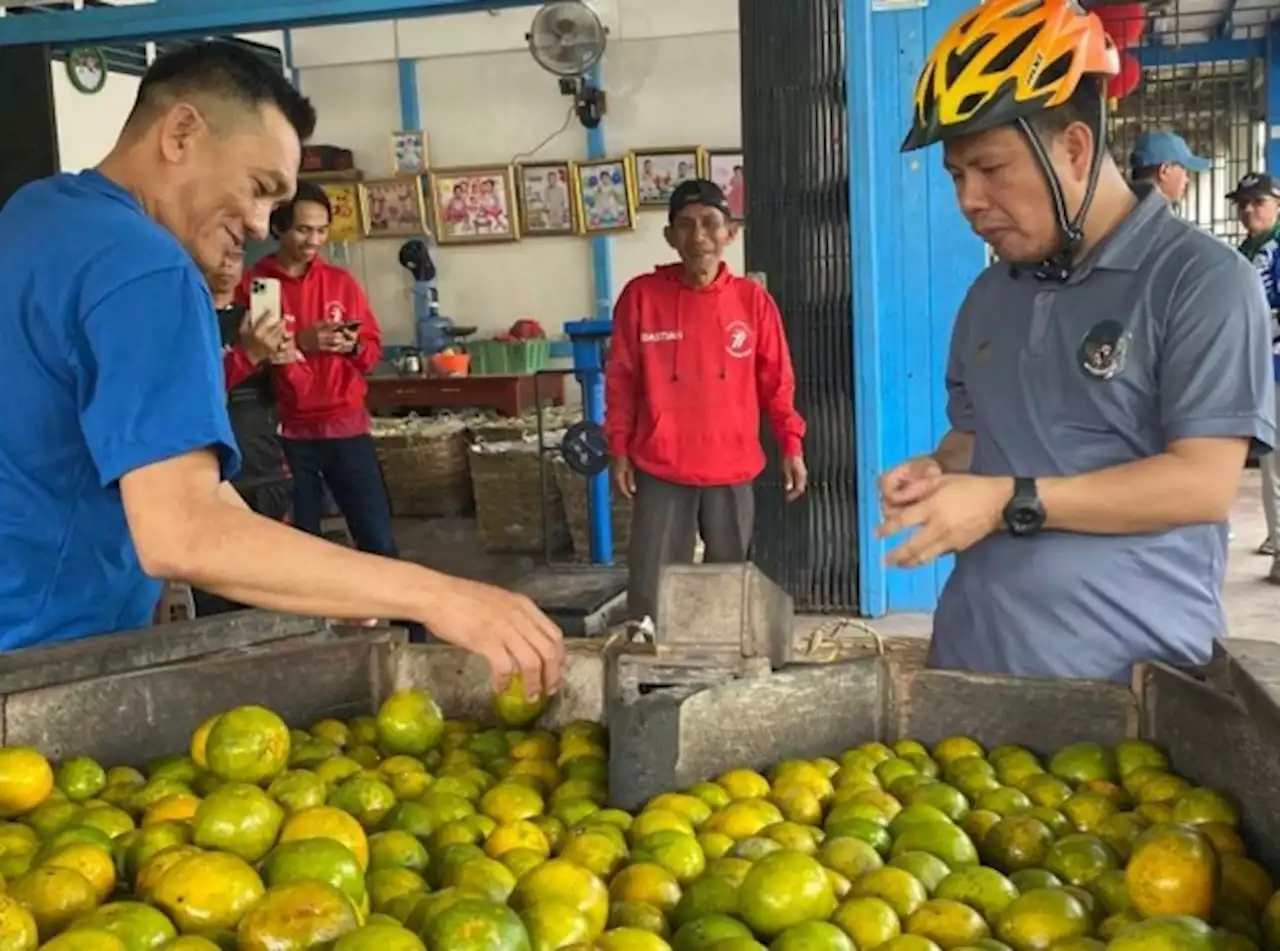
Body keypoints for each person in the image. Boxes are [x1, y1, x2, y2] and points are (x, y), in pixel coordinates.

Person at [0, 41, 561, 694]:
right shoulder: (146, 267)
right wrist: (438, 595)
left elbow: (185, 484)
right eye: (261, 188)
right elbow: (182, 531)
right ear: (181, 132)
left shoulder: (36, 215)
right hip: (35, 670)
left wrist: (328, 585)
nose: (263, 224)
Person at [882, 0, 1274, 681]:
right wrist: (941, 471)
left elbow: (1203, 483)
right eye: (955, 176)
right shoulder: (989, 295)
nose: (969, 199)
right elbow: (979, 438)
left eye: (990, 168)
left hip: (1129, 698)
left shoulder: (1201, 280)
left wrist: (1009, 500)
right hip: (968, 680)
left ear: (1073, 148)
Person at [605, 178, 808, 623]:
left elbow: (777, 381)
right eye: (686, 225)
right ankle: (651, 673)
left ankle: (723, 673)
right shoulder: (640, 298)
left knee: (729, 585)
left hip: (731, 466)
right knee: (651, 589)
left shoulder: (752, 301)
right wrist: (618, 448)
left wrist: (791, 444)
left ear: (730, 233)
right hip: (661, 464)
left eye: (710, 224)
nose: (698, 237)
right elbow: (620, 380)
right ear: (670, 236)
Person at [243, 182, 398, 560]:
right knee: (300, 547)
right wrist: (303, 344)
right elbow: (247, 363)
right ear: (279, 227)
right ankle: (311, 621)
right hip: (286, 436)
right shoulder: (254, 286)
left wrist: (354, 346)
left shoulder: (341, 283)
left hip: (347, 426)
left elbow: (371, 352)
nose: (314, 240)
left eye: (321, 230)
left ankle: (405, 619)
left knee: (377, 536)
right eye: (303, 229)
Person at [192, 250, 295, 617]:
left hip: (265, 469)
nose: (226, 262)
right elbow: (192, 395)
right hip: (209, 477)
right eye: (220, 253)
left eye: (236, 256)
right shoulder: (188, 322)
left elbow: (294, 399)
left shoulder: (255, 320)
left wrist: (287, 364)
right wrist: (245, 356)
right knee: (217, 600)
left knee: (270, 595)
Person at [1228, 172, 1280, 579]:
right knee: (1267, 459)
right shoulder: (1247, 249)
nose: (1248, 211)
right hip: (1257, 366)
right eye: (1243, 204)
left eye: (1257, 202)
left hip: (1275, 364)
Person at [1128, 130, 1209, 205]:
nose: (1187, 179)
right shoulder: (1161, 219)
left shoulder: (1120, 210)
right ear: (1164, 170)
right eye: (1184, 169)